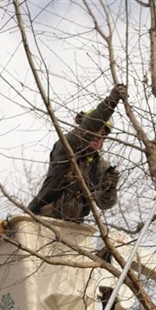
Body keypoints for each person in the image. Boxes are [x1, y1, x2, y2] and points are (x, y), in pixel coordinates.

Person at [29, 84, 127, 223]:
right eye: (97, 131)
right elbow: (87, 128)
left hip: (73, 227)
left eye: (104, 134)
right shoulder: (66, 147)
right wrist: (110, 104)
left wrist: (108, 188)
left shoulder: (99, 165)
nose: (100, 136)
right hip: (44, 220)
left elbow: (105, 204)